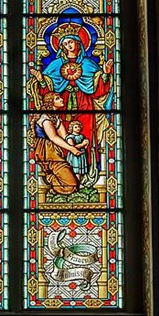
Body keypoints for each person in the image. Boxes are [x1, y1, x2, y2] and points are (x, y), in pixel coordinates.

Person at [30, 33, 113, 167]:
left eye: (71, 42)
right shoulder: (56, 64)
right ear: (62, 47)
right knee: (63, 135)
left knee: (85, 133)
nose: (69, 45)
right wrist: (41, 80)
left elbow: (99, 90)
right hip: (62, 104)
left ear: (79, 43)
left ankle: (86, 172)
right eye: (66, 43)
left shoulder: (88, 64)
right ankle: (66, 168)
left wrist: (105, 74)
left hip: (84, 104)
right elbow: (47, 93)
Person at [34, 92, 82, 195]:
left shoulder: (55, 117)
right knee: (71, 186)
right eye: (57, 98)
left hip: (54, 150)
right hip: (45, 151)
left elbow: (65, 136)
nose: (61, 99)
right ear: (51, 103)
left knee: (73, 181)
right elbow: (53, 137)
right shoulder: (45, 118)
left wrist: (77, 145)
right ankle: (50, 178)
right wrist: (71, 149)